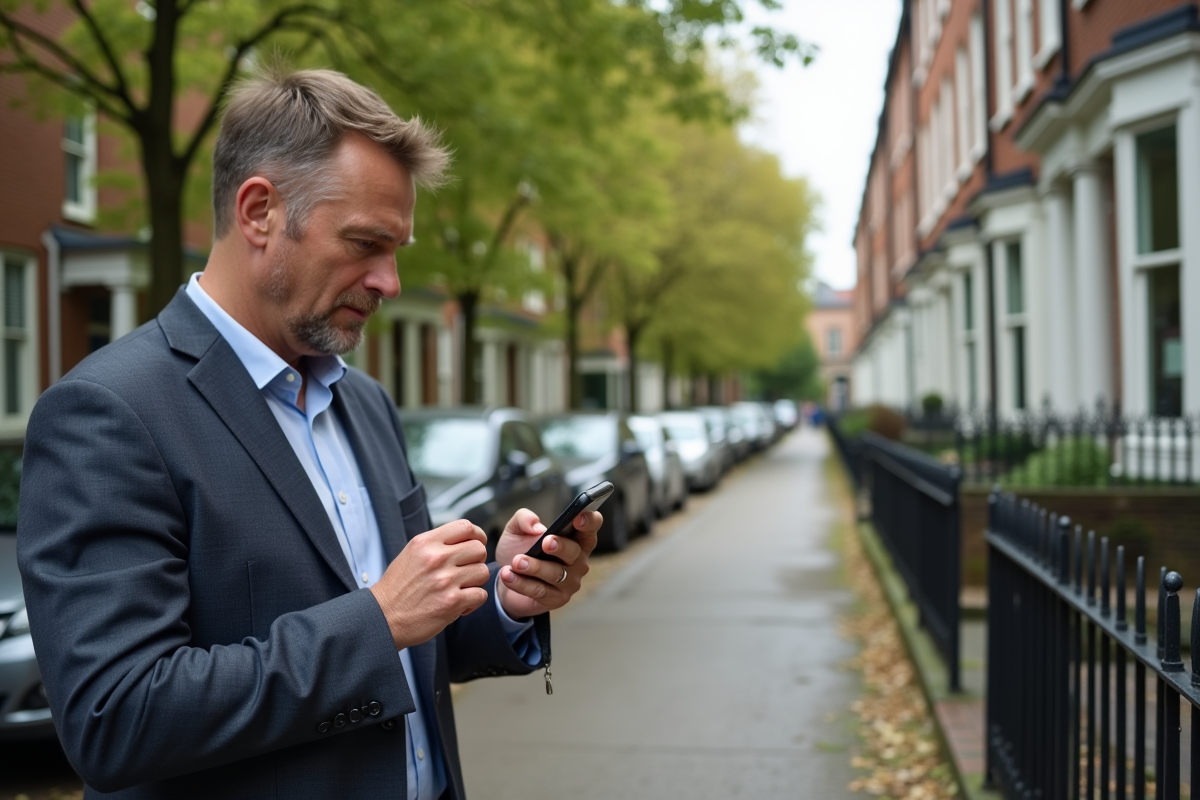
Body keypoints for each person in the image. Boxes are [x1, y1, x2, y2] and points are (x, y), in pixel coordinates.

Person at [16, 67, 598, 799]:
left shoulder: (366, 403)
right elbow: (117, 716)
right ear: (259, 211)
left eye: (397, 251)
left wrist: (506, 598)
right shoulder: (108, 415)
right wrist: (376, 620)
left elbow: (407, 640)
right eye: (364, 243)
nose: (388, 281)